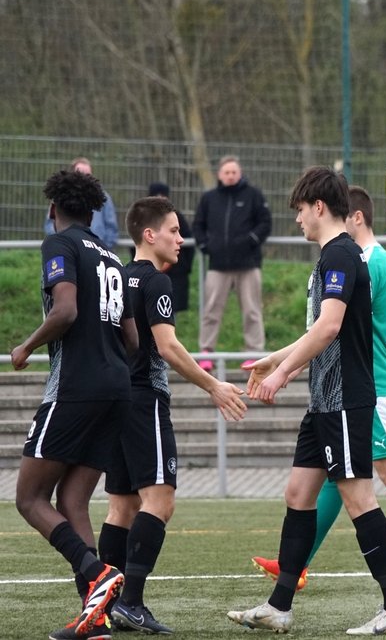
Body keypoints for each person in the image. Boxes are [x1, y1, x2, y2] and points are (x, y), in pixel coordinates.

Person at [228, 166, 386, 635]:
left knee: (359, 499)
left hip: (346, 399)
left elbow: (329, 327)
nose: (297, 220)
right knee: (298, 494)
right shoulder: (333, 256)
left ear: (318, 207)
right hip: (325, 401)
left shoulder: (341, 255)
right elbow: (321, 330)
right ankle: (279, 606)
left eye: (299, 210)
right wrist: (277, 360)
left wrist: (282, 374)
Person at [250, 185, 386, 596]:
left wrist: (285, 367)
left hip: (369, 386)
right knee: (335, 475)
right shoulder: (376, 263)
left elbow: (337, 327)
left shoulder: (366, 261)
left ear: (355, 217)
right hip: (360, 385)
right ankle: (296, 564)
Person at [98, 196, 247, 634]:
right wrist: (213, 385)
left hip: (115, 400)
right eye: (174, 230)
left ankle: (106, 603)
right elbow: (167, 347)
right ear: (150, 235)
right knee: (160, 503)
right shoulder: (155, 281)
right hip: (144, 400)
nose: (181, 239)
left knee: (122, 506)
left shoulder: (116, 277)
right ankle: (131, 603)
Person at [14, 169, 137, 640]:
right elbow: (132, 340)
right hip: (117, 389)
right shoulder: (112, 257)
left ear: (53, 210)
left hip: (75, 388)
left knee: (29, 498)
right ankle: (96, 618)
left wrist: (26, 346)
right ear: (93, 213)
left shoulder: (58, 244)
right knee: (73, 501)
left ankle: (97, 571)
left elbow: (65, 310)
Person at [192, 155, 272, 369]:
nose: (230, 176)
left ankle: (254, 353)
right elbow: (198, 225)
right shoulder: (209, 198)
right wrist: (205, 246)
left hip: (248, 265)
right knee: (211, 310)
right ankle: (206, 353)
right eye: (226, 172)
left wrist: (251, 240)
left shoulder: (253, 195)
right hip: (218, 266)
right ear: (220, 175)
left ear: (240, 173)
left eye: (234, 172)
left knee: (252, 311)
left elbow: (265, 223)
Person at [45, 157, 119, 249]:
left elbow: (111, 228)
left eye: (87, 175)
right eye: (80, 174)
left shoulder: (103, 198)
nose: (84, 178)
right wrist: (65, 241)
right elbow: (50, 225)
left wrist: (102, 249)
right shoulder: (60, 197)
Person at [148, 181, 195, 312]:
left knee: (170, 310)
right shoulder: (143, 217)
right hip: (150, 271)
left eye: (163, 196)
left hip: (175, 273)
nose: (160, 199)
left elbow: (188, 242)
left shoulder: (176, 217)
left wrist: (184, 266)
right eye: (156, 196)